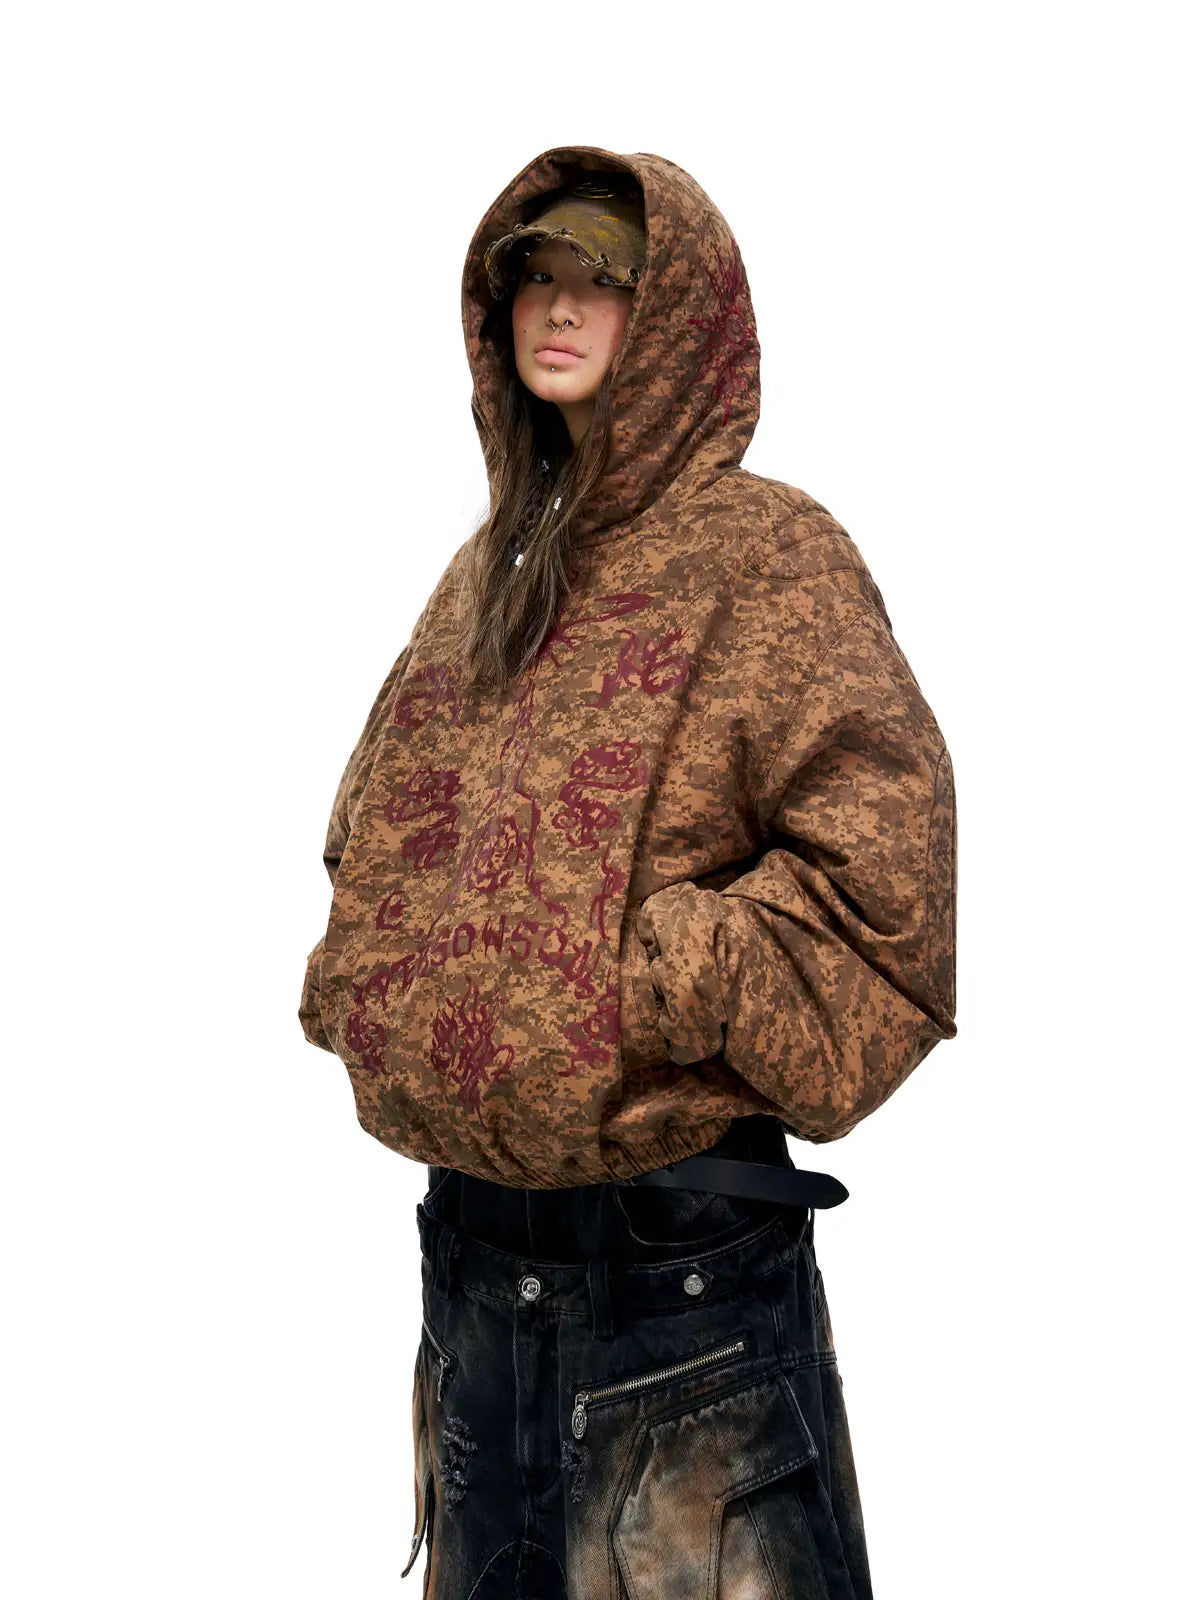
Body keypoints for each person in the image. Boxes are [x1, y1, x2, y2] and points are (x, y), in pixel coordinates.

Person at [299, 145, 957, 1598]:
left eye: (602, 281)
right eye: (535, 275)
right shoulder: (493, 571)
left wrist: (656, 972)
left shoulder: (768, 556)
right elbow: (373, 824)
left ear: (678, 319)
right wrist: (373, 979)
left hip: (678, 1288)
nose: (557, 307)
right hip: (474, 1280)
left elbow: (888, 897)